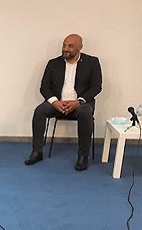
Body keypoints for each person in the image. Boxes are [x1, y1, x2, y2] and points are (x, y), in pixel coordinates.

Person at [24, 34, 102, 171]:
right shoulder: (53, 63)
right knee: (39, 111)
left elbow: (96, 87)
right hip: (57, 103)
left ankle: (83, 156)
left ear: (80, 47)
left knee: (85, 112)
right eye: (64, 45)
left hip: (80, 104)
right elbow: (44, 87)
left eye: (70, 46)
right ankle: (37, 151)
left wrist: (79, 101)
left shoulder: (92, 62)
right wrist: (54, 102)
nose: (65, 49)